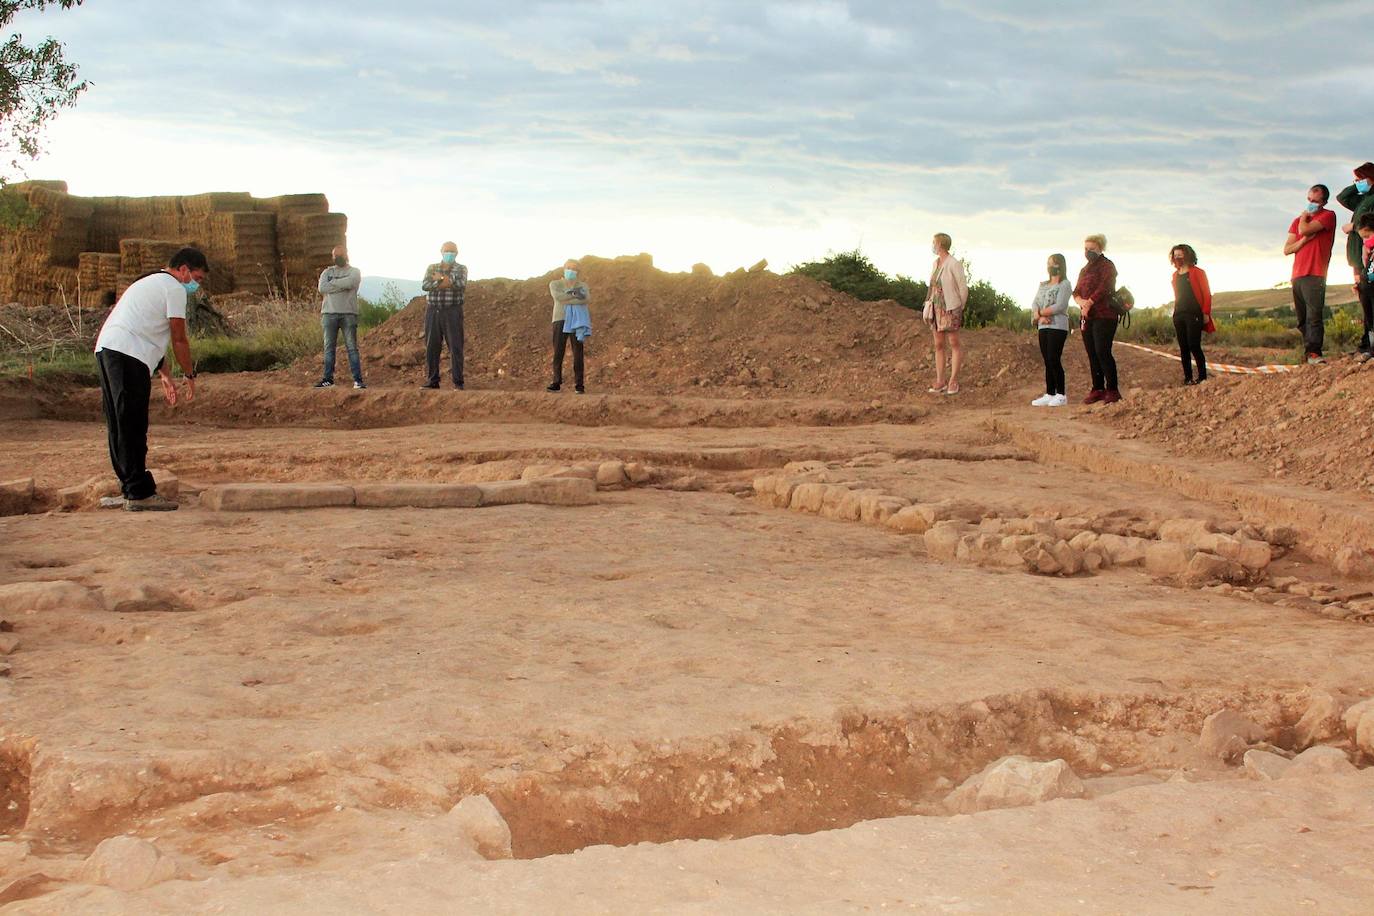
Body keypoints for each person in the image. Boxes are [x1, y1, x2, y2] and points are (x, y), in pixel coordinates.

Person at [92, 247, 206, 511]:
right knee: (133, 424)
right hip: (128, 355)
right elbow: (179, 338)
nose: (196, 285)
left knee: (120, 425)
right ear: (184, 269)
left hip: (108, 349)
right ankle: (139, 493)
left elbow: (146, 331)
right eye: (197, 279)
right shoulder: (174, 288)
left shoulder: (148, 282)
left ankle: (130, 488)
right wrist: (189, 374)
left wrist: (165, 374)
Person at [1283, 184, 1337, 364]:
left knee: (1314, 316)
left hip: (1315, 272)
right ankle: (1308, 352)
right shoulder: (1298, 220)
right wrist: (1304, 241)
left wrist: (1304, 225)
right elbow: (1287, 248)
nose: (1311, 204)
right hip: (1297, 274)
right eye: (1309, 200)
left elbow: (1304, 229)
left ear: (1324, 202)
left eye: (1315, 201)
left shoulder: (1328, 216)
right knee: (1302, 319)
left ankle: (1315, 352)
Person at [1073, 234, 1120, 404]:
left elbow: (1105, 287)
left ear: (1100, 248)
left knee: (1102, 351)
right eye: (1086, 249)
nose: (1088, 252)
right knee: (1092, 353)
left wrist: (1090, 302)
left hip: (1105, 315)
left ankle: (1112, 389)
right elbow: (1076, 290)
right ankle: (1097, 388)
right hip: (1087, 316)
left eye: (1091, 249)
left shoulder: (1107, 266)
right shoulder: (1084, 269)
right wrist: (1081, 302)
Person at [922, 233, 968, 395]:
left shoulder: (954, 264)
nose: (932, 245)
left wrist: (958, 307)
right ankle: (940, 380)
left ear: (940, 244)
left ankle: (953, 381)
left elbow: (963, 288)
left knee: (954, 343)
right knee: (939, 344)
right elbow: (932, 286)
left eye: (934, 242)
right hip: (936, 308)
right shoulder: (935, 263)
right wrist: (927, 303)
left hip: (950, 307)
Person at [314, 245, 365, 389]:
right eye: (335, 255)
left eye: (340, 254)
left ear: (346, 254)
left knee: (352, 348)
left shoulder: (354, 272)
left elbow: (351, 283)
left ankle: (358, 381)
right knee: (329, 348)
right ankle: (328, 380)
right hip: (328, 314)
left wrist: (333, 284)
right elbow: (322, 288)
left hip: (348, 313)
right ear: (333, 257)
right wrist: (342, 285)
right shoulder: (326, 272)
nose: (338, 257)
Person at [1337, 163, 1374, 359]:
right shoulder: (1363, 200)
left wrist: (1354, 226)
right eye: (1355, 180)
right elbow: (1342, 197)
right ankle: (1365, 343)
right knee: (1364, 300)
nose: (1357, 183)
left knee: (1369, 301)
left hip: (1368, 256)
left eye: (1360, 179)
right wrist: (1358, 185)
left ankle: (1369, 346)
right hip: (1357, 259)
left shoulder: (1372, 199)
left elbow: (1370, 222)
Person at [420, 241, 467, 389]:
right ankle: (432, 381)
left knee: (455, 347)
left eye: (452, 251)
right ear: (441, 251)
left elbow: (460, 284)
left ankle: (458, 382)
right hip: (433, 310)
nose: (449, 254)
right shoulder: (432, 267)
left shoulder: (461, 268)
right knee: (432, 346)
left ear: (457, 253)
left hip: (452, 311)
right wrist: (446, 281)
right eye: (447, 251)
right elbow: (425, 285)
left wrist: (439, 279)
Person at [1030, 253, 1072, 406]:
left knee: (1054, 358)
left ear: (1060, 266)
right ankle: (1050, 392)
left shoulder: (1065, 284)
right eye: (1048, 263)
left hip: (1057, 326)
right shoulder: (1043, 284)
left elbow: (1060, 305)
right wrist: (1039, 316)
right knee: (1047, 359)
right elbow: (1035, 303)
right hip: (1043, 326)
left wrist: (1041, 313)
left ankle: (1061, 394)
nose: (1050, 267)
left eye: (1053, 264)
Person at [1168, 244, 1213, 385]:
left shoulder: (1198, 272)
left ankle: (1202, 377)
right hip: (1179, 314)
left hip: (1194, 313)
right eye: (1175, 255)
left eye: (1180, 255)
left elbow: (1206, 293)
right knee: (1184, 348)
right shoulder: (1175, 275)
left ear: (1187, 255)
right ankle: (1188, 378)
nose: (1177, 258)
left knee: (1194, 345)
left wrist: (1206, 312)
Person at [547, 258, 588, 393]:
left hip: (576, 321)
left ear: (578, 271)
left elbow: (586, 298)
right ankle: (556, 381)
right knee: (558, 351)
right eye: (569, 267)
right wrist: (575, 295)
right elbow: (558, 298)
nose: (571, 270)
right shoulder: (555, 284)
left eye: (574, 268)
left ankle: (579, 385)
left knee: (578, 352)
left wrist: (568, 296)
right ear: (564, 268)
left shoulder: (582, 285)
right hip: (560, 319)